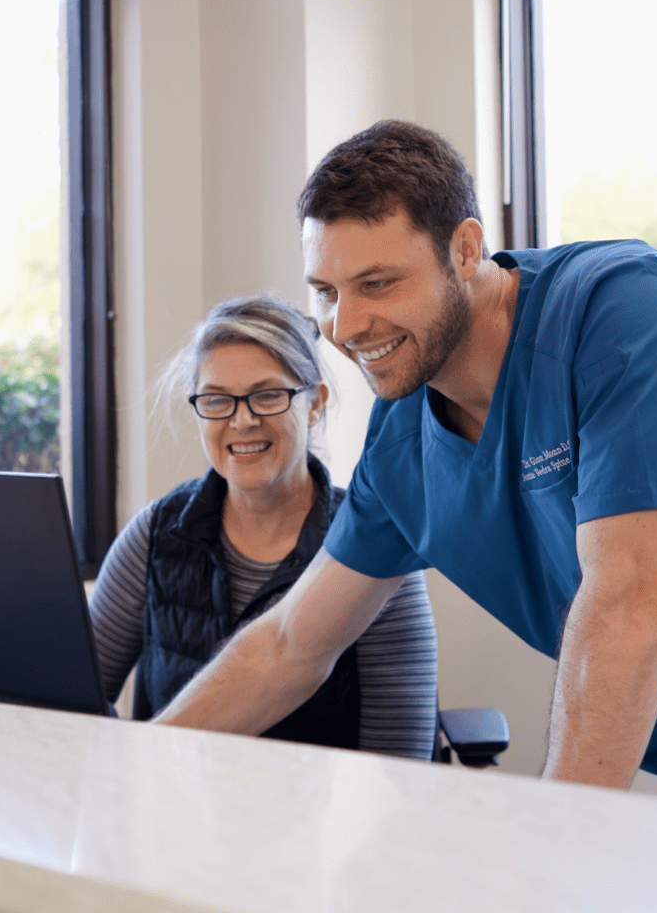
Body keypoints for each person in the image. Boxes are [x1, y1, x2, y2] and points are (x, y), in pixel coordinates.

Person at [151, 121, 657, 821]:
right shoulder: (403, 440)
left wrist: (557, 841)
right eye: (324, 291)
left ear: (465, 250)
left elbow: (631, 599)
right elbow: (292, 642)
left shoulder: (625, 314)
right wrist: (135, 769)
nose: (344, 325)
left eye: (377, 284)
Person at [88, 295, 438, 759]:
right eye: (216, 399)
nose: (243, 419)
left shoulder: (373, 546)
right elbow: (76, 708)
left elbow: (399, 768)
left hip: (321, 827)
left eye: (268, 394)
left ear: (315, 403)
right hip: (171, 818)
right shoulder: (153, 535)